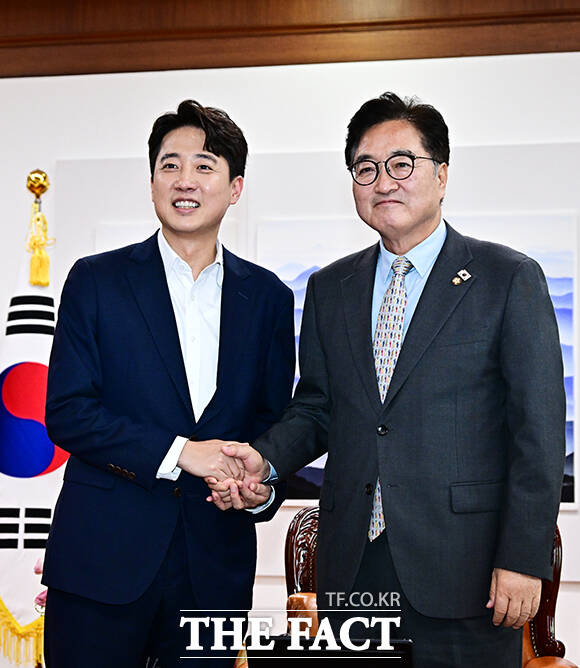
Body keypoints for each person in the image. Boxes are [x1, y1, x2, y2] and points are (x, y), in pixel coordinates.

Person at [210, 92, 566, 667]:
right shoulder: (330, 288)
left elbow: (539, 431)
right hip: (353, 565)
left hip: (468, 568)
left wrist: (524, 559)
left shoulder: (507, 278)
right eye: (366, 168)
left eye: (402, 164)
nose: (384, 182)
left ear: (441, 175)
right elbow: (318, 409)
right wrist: (264, 461)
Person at [42, 100, 295, 668]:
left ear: (235, 187)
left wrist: (260, 488)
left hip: (214, 569)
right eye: (170, 165)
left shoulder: (269, 298)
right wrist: (183, 453)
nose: (185, 180)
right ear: (152, 181)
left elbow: (272, 424)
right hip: (101, 561)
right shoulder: (96, 280)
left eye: (205, 166)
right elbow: (69, 412)